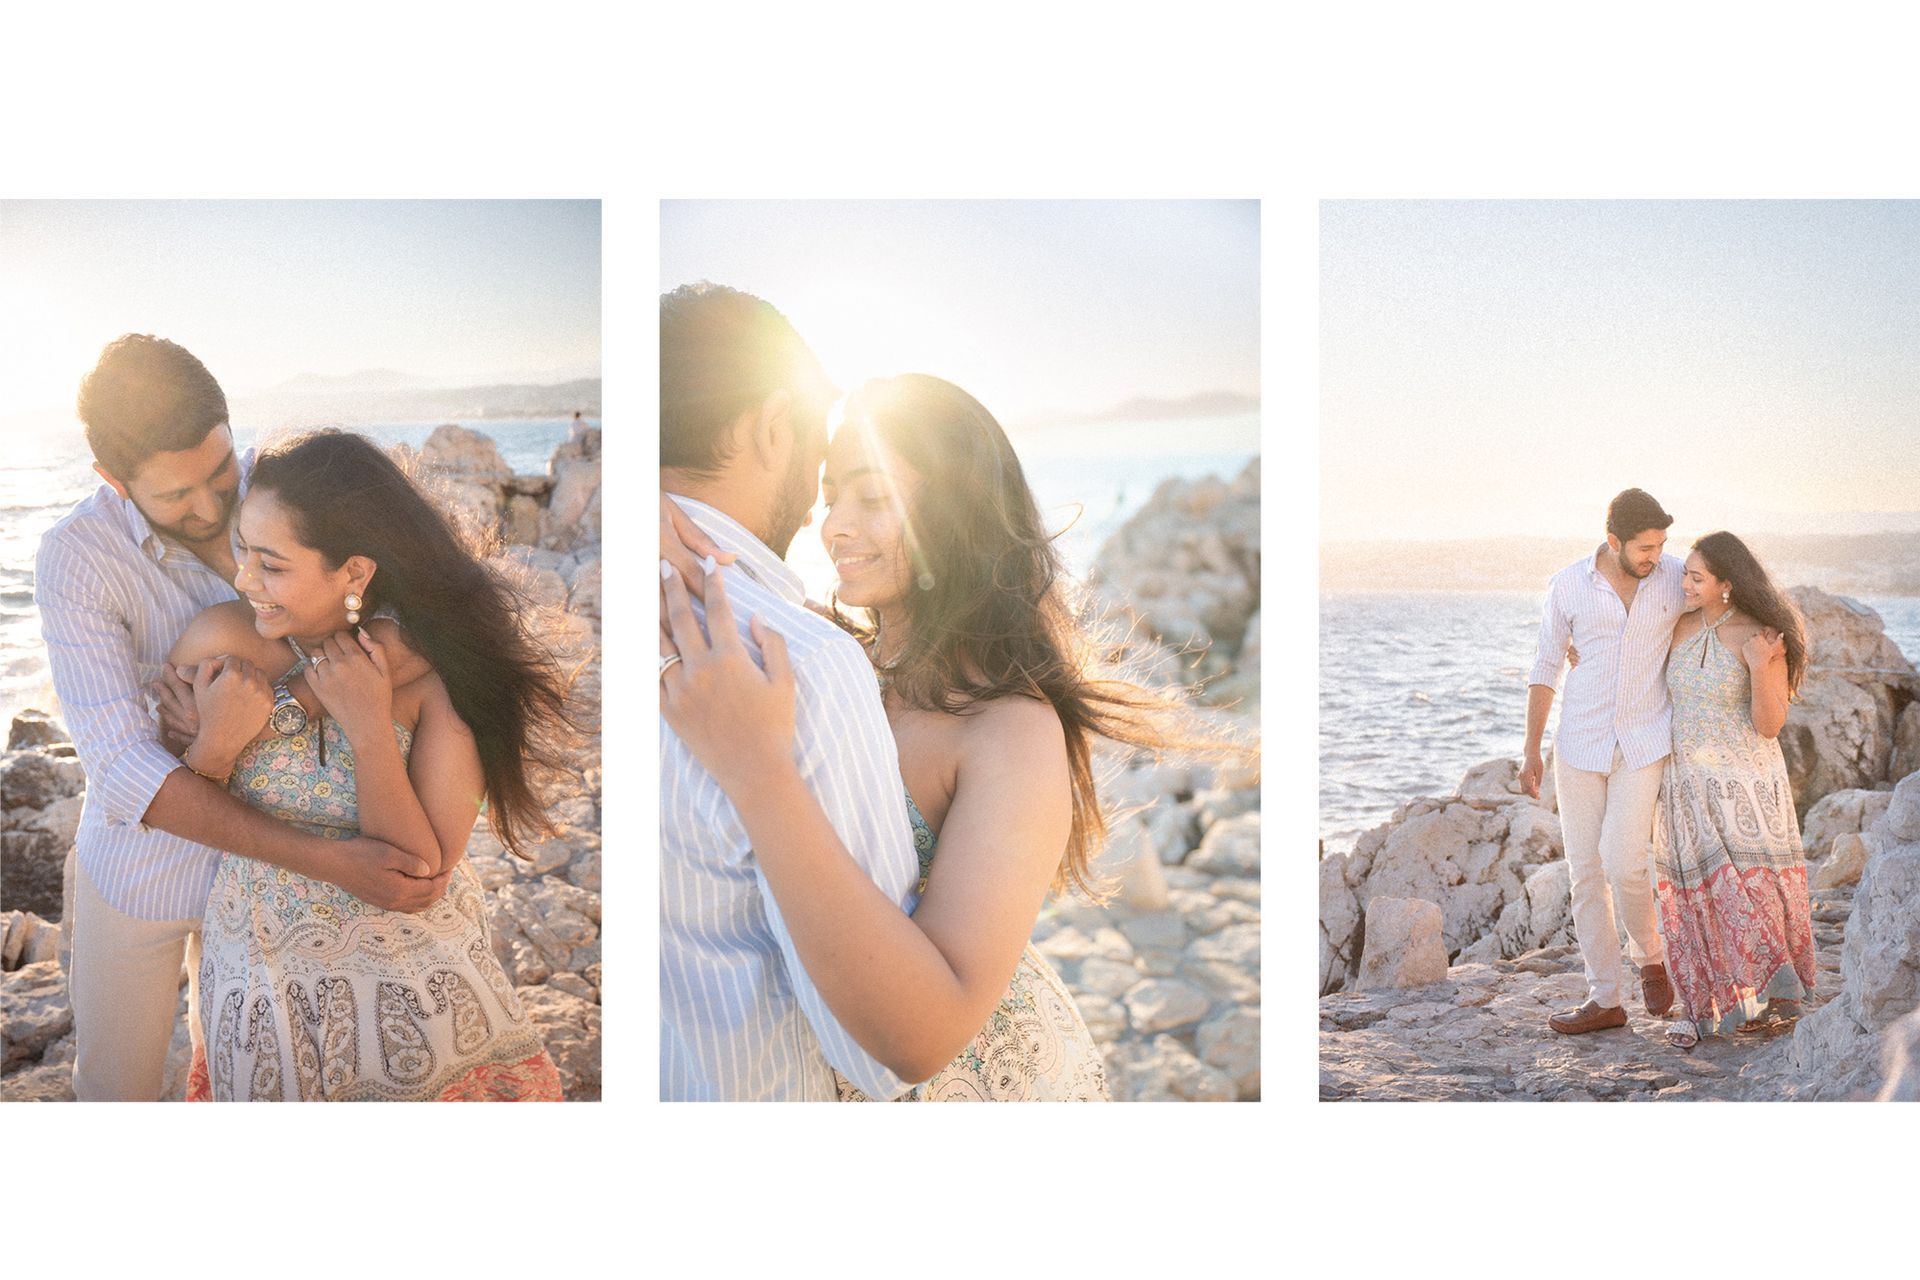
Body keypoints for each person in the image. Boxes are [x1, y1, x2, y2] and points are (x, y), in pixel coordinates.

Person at [663, 368, 1217, 1100]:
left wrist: (758, 771)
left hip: (984, 1087)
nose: (833, 527)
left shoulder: (1011, 731)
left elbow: (934, 1025)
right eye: (831, 498)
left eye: (873, 496)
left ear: (954, 512)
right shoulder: (834, 665)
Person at [37, 335, 451, 1101]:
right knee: (113, 1090)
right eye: (173, 496)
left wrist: (278, 710)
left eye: (219, 472)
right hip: (143, 873)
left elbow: (420, 610)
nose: (209, 509)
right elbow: (127, 773)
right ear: (111, 480)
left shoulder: (282, 484)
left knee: (238, 1085)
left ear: (231, 429)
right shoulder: (76, 558)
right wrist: (330, 857)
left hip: (263, 884)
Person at [166, 429, 568, 1100]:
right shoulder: (218, 643)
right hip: (262, 991)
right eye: (242, 548)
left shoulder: (433, 676)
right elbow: (179, 799)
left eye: (271, 563)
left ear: (353, 572)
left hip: (415, 1002)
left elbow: (419, 875)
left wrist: (368, 728)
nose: (243, 579)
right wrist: (216, 744)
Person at [657, 283, 924, 1101]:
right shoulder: (801, 662)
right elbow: (886, 1051)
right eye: (819, 466)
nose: (820, 515)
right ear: (774, 426)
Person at [1522, 488, 1681, 1034]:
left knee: (1624, 861)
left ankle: (1652, 959)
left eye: (1660, 544)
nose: (1653, 556)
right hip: (1579, 746)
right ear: (1613, 541)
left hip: (1643, 744)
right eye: (1643, 547)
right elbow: (1546, 665)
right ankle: (1605, 999)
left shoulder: (1675, 577)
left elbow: (1723, 607)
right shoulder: (1569, 585)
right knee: (1585, 873)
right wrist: (1530, 752)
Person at [1651, 532, 1816, 1048]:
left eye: (1697, 577)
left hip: (1745, 785)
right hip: (1684, 783)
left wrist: (1760, 665)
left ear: (1727, 583)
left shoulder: (1765, 634)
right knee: (1690, 896)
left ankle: (1767, 995)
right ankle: (1699, 1005)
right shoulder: (1676, 627)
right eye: (1686, 574)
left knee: (1751, 891)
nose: (1686, 584)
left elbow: (1769, 724)